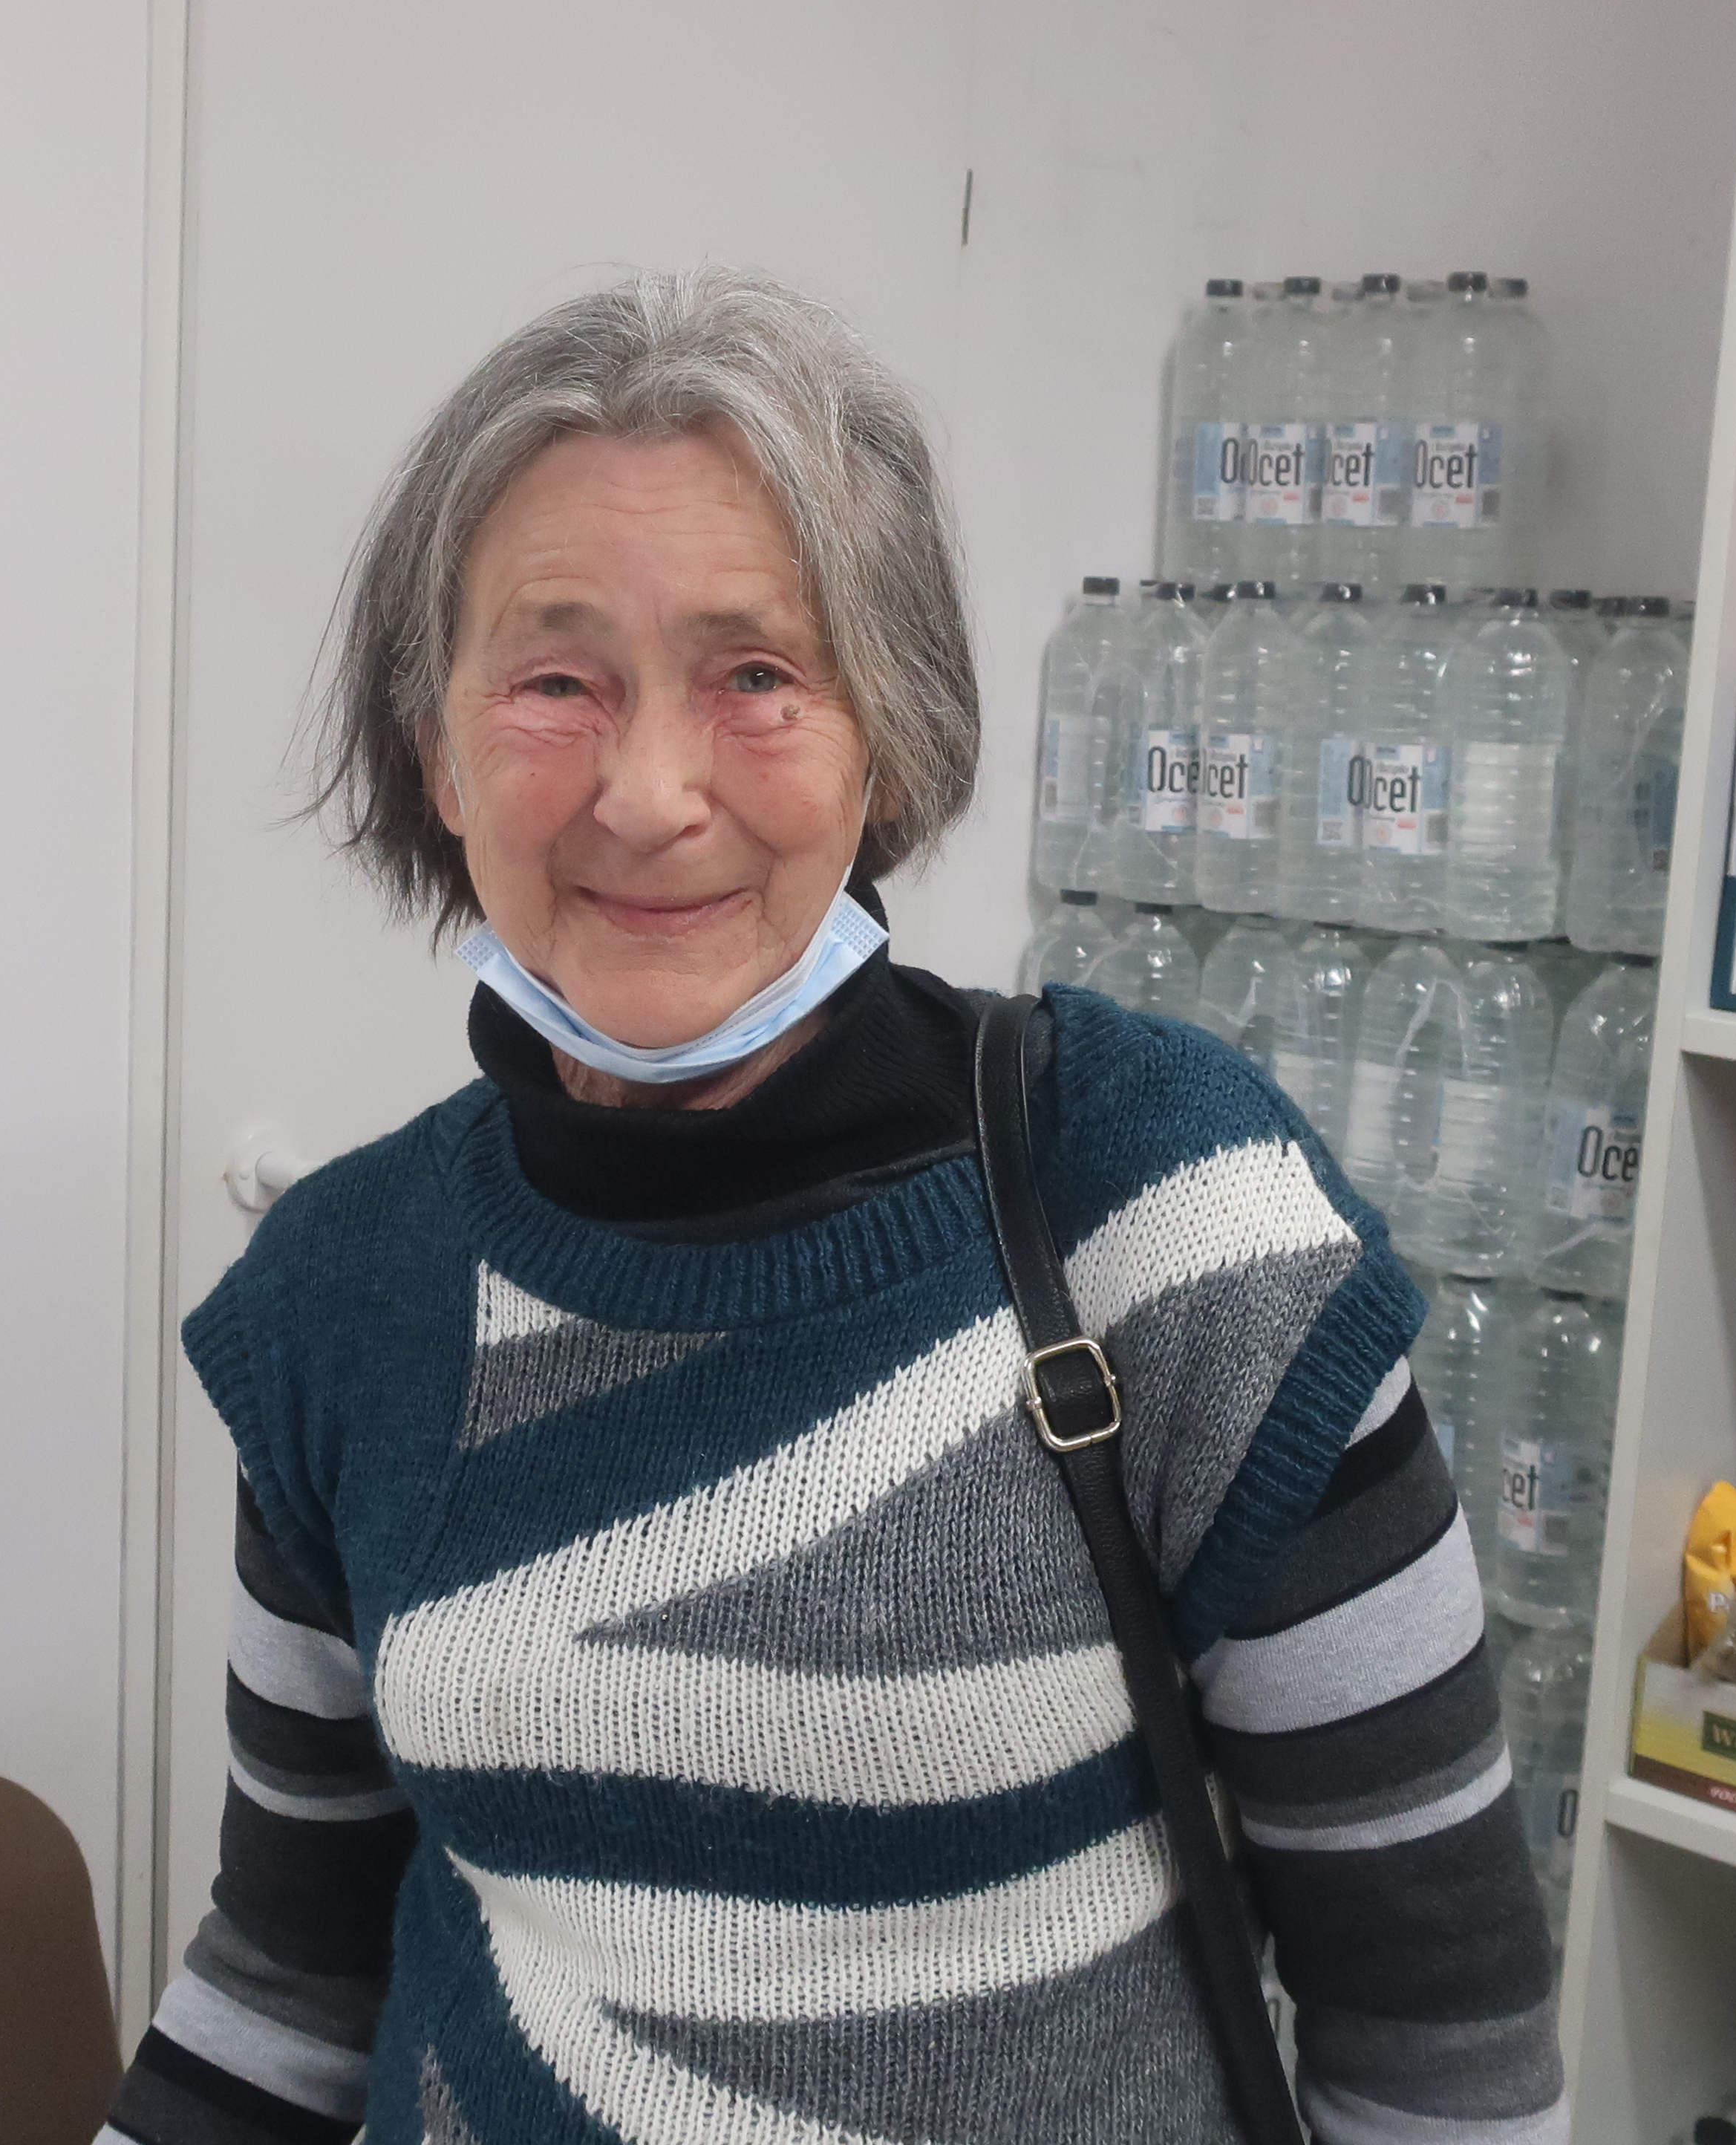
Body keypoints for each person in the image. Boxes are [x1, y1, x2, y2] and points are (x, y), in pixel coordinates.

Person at [100, 269, 1564, 2145]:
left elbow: (1442, 2035)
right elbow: (291, 1976)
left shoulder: (1174, 1218)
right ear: (437, 747)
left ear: (890, 732)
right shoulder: (341, 1297)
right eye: (555, 680)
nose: (650, 793)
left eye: (758, 679)